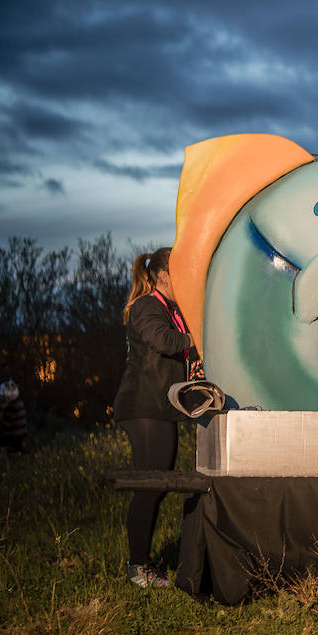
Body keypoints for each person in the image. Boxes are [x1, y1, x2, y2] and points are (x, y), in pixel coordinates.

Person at [112, 248, 200, 589]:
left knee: (159, 485)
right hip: (141, 407)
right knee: (151, 486)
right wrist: (195, 342)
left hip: (158, 408)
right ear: (163, 276)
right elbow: (163, 340)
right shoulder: (147, 306)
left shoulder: (172, 309)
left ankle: (142, 563)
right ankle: (138, 568)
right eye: (180, 273)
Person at [0, 379, 27, 455]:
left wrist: (0, 411)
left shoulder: (12, 407)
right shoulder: (20, 403)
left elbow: (4, 425)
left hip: (13, 437)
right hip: (20, 437)